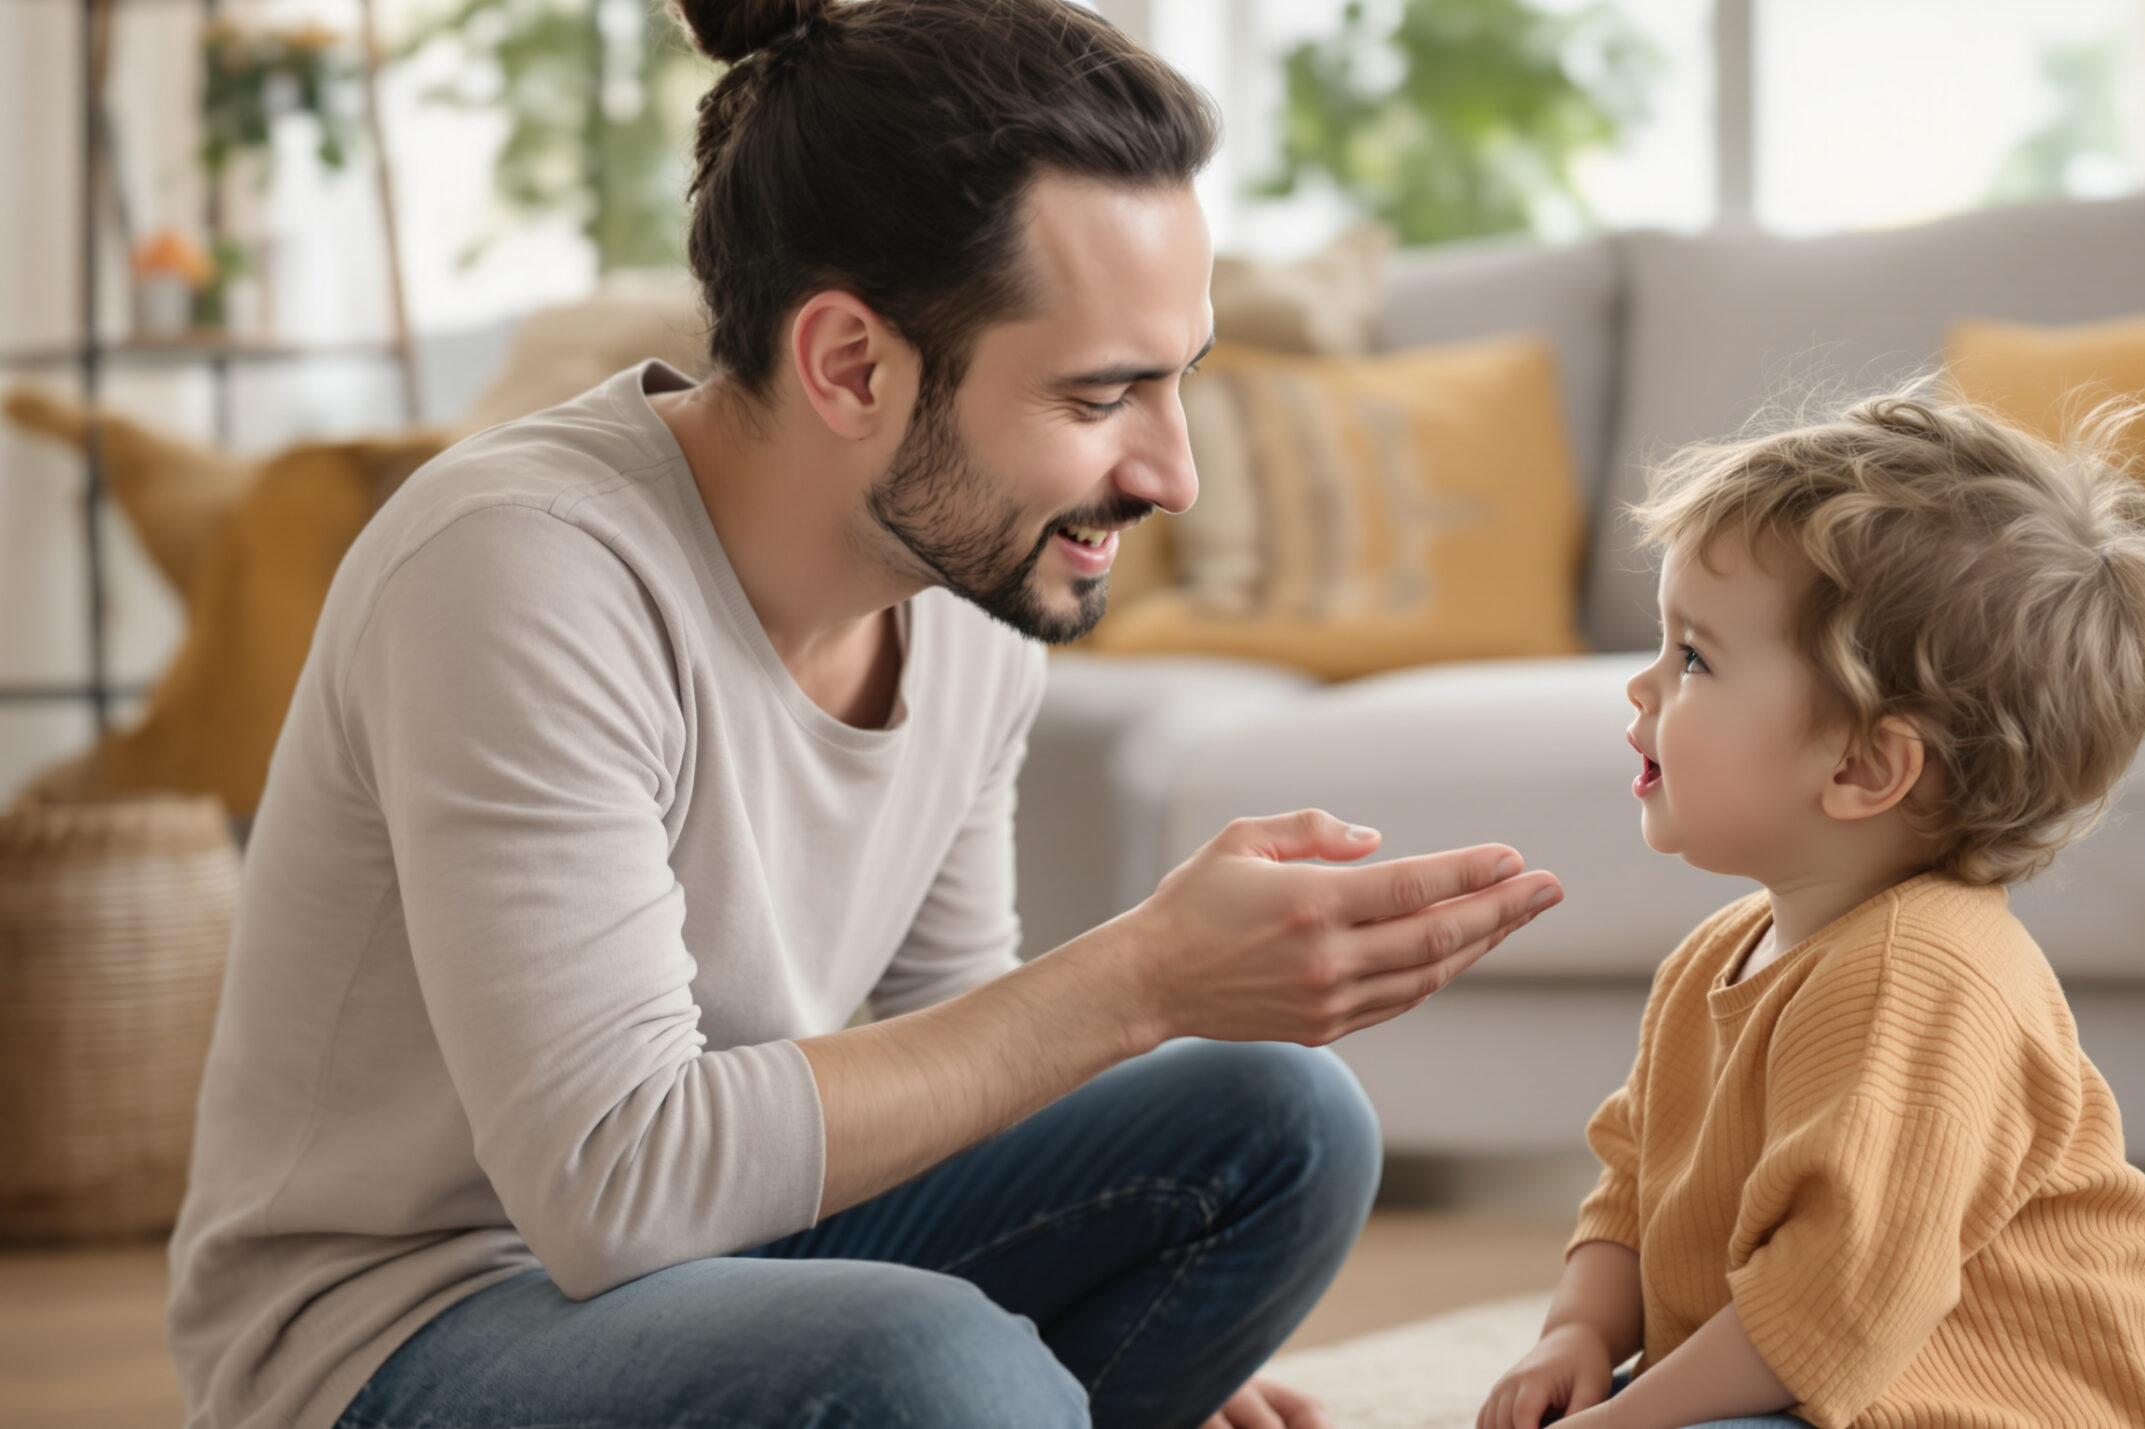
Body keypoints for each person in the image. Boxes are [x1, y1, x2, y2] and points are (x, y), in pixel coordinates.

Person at [164, 3, 1565, 1428]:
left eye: (1179, 381)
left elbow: (964, 1050)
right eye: (1103, 395)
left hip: (732, 1254)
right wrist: (1143, 977)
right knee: (938, 1366)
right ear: (848, 364)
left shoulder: (966, 596)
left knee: (1287, 1120)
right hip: (410, 1326)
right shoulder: (516, 564)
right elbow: (612, 1184)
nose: (1171, 475)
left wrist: (1108, 1273)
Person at [1477, 394, 2145, 1429]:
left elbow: (1837, 1299)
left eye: (1692, 657)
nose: (1642, 688)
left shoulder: (1920, 973)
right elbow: (1634, 1181)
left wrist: (1623, 1417)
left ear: (1866, 763)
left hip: (2002, 1402)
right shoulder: (1716, 957)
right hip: (1814, 1378)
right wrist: (1580, 1333)